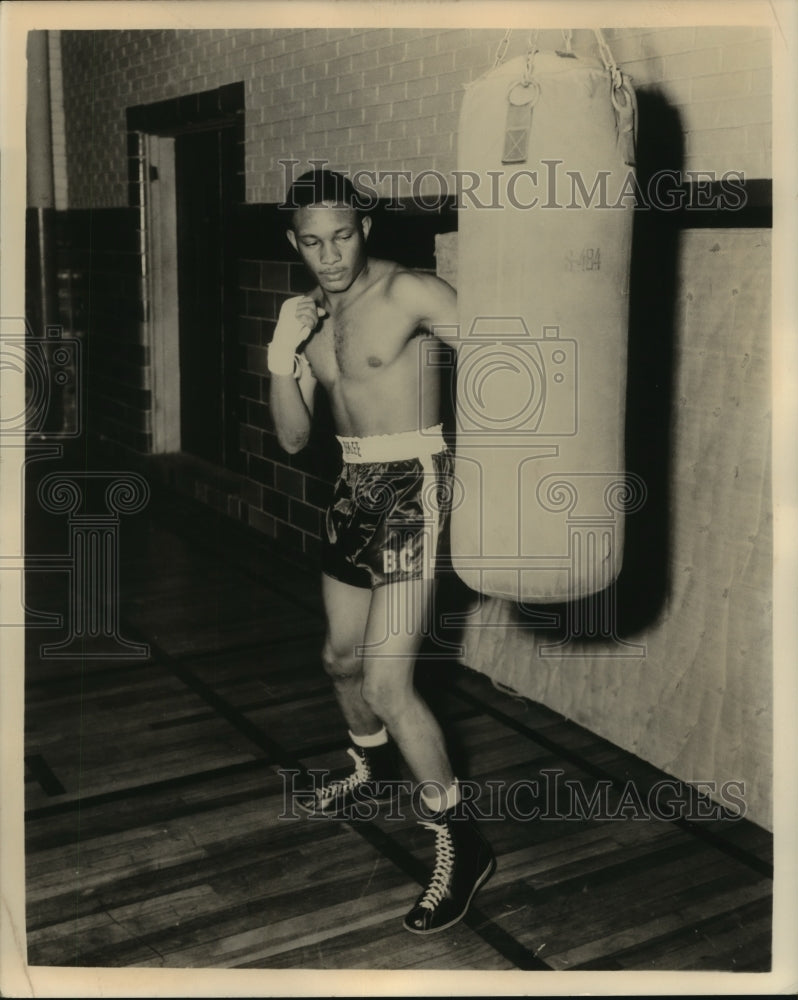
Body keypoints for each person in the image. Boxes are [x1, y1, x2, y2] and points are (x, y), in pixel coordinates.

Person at [269, 167, 494, 935]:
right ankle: (367, 773)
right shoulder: (309, 319)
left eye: (342, 236)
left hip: (413, 487)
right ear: (293, 243)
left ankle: (460, 845)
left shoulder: (410, 292)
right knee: (340, 660)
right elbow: (296, 437)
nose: (330, 255)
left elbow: (509, 364)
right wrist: (280, 354)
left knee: (391, 684)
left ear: (366, 227)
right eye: (312, 242)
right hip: (352, 490)